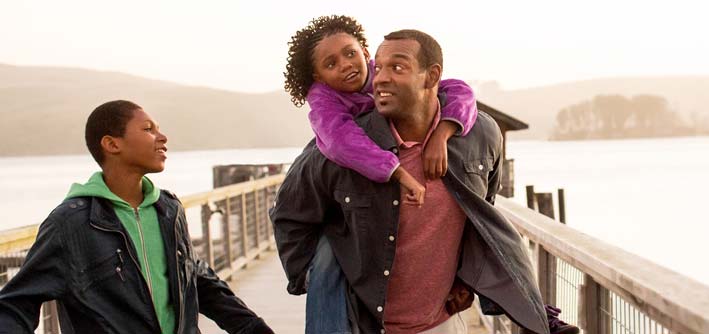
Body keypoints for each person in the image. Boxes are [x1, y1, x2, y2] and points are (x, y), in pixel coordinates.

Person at [271, 29, 578, 334]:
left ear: (431, 77)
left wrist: (463, 278)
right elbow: (288, 213)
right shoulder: (336, 147)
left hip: (442, 322)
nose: (380, 78)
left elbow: (482, 215)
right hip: (364, 324)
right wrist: (315, 277)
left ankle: (542, 319)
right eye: (382, 67)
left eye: (397, 67)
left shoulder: (480, 134)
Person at [0, 100, 273, 333]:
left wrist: (252, 327)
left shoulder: (169, 209)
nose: (162, 137)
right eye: (148, 129)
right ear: (111, 144)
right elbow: (18, 303)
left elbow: (197, 279)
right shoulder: (70, 224)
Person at [283, 15, 479, 207]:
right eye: (331, 64)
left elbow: (458, 90)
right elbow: (340, 140)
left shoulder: (383, 72)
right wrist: (398, 172)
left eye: (351, 53)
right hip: (333, 149)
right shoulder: (322, 99)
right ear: (319, 77)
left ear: (365, 53)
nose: (346, 64)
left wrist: (441, 135)